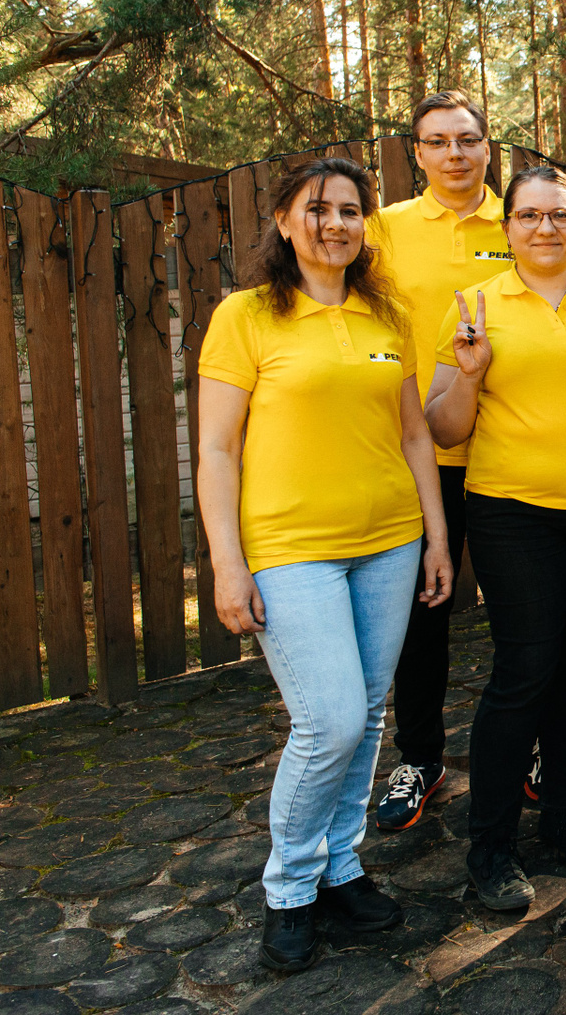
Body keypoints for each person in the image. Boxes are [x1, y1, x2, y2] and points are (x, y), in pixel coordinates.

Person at [197, 156, 454, 972]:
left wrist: (436, 537)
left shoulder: (387, 315)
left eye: (349, 211)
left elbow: (414, 435)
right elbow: (216, 450)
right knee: (328, 721)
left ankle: (340, 867)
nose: (335, 224)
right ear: (283, 221)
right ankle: (289, 889)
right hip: (290, 548)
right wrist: (227, 564)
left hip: (389, 540)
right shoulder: (245, 316)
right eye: (317, 209)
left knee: (369, 714)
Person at [424, 164, 566, 911]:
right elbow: (444, 429)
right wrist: (470, 375)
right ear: (508, 226)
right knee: (524, 669)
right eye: (529, 215)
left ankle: (560, 814)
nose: (546, 228)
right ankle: (490, 845)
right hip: (511, 512)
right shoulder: (475, 305)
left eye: (561, 214)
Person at [364, 90, 510, 833]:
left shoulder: (524, 221)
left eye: (467, 139)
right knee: (423, 617)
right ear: (416, 153)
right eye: (438, 142)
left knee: (523, 616)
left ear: (488, 147)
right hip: (419, 455)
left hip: (510, 454)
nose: (455, 154)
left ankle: (530, 750)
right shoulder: (382, 230)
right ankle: (419, 757)